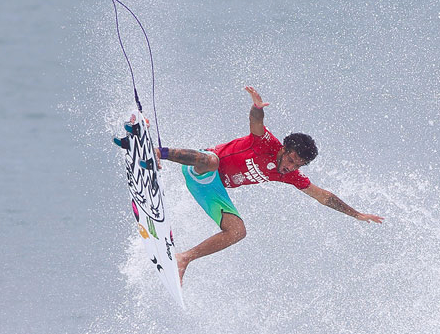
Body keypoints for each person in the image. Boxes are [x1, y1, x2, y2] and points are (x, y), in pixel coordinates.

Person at [156, 86, 383, 283]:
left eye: (298, 165)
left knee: (238, 232)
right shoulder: (265, 143)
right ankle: (159, 152)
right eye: (291, 160)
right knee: (213, 160)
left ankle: (183, 258)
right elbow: (256, 121)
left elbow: (323, 196)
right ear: (283, 149)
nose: (291, 168)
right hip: (199, 167)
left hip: (211, 189)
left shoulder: (289, 176)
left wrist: (356, 214)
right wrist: (257, 107)